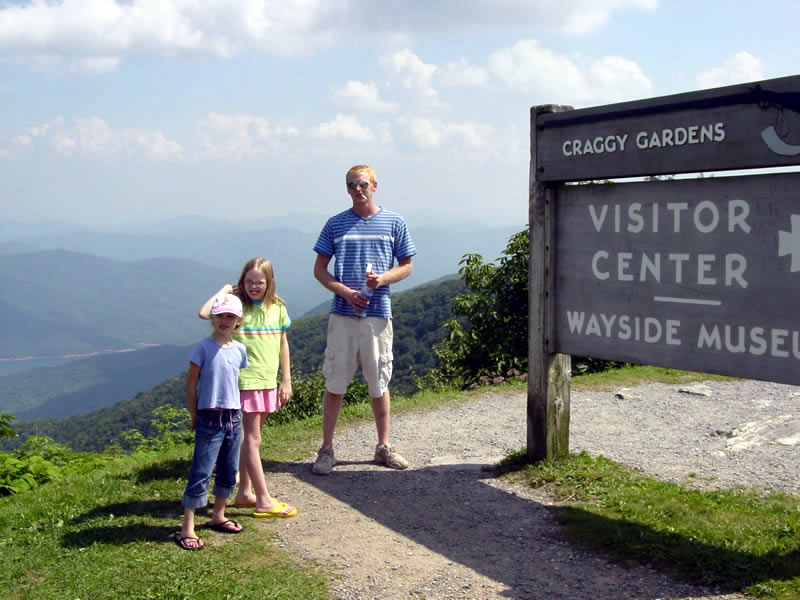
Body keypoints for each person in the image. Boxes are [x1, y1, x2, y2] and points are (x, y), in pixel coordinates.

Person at [311, 164, 416, 475]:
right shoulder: (335, 224)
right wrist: (344, 291)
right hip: (343, 314)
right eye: (351, 185)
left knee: (378, 382)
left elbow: (407, 265)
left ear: (374, 185)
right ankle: (326, 449)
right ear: (347, 189)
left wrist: (381, 279)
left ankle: (383, 446)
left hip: (377, 313)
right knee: (335, 382)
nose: (358, 190)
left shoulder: (395, 221)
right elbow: (319, 269)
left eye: (362, 184)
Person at [199, 258, 297, 518]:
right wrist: (224, 291)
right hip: (244, 383)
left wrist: (285, 379)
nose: (254, 286)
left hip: (267, 382)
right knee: (251, 441)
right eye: (249, 281)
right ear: (241, 282)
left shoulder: (278, 308)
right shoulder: (236, 306)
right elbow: (204, 312)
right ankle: (263, 499)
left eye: (260, 282)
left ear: (269, 283)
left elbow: (283, 344)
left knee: (250, 441)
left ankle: (244, 493)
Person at [176, 293, 248, 551]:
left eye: (231, 316)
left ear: (238, 321)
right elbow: (191, 385)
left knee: (228, 470)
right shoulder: (202, 348)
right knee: (201, 471)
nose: (225, 321)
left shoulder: (240, 350)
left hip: (233, 416)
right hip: (209, 417)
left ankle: (218, 515)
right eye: (221, 316)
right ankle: (188, 526)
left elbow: (234, 382)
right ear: (213, 319)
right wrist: (194, 415)